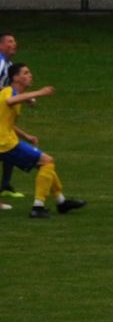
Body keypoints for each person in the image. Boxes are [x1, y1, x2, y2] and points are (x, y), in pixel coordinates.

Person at [0, 63, 86, 218]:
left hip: (6, 140)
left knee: (45, 163)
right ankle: (38, 207)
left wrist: (26, 136)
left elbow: (5, 122)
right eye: (25, 73)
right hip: (5, 144)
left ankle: (61, 201)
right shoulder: (9, 92)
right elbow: (10, 101)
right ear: (15, 77)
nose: (30, 75)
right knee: (47, 162)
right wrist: (40, 92)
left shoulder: (10, 93)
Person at [0, 32, 24, 205]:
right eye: (10, 41)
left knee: (10, 141)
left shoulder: (8, 64)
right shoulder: (1, 63)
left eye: (14, 41)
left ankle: (5, 184)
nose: (14, 44)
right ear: (1, 45)